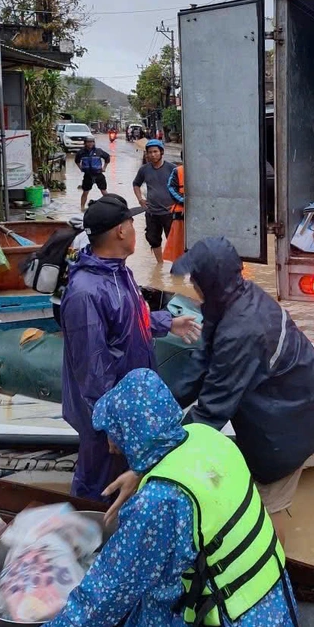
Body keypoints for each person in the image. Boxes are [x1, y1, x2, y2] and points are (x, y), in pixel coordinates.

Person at [0, 369, 298, 627]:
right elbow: (186, 465)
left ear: (132, 432)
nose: (110, 443)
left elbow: (101, 600)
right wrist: (142, 472)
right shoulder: (206, 437)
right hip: (278, 616)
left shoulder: (158, 504)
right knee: (142, 621)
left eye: (115, 432)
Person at [107, 236, 314, 545]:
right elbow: (201, 364)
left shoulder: (239, 332)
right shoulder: (241, 296)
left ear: (210, 283)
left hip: (285, 422)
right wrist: (160, 411)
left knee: (268, 507)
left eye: (195, 279)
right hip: (313, 394)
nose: (192, 285)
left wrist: (147, 464)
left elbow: (210, 414)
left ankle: (275, 568)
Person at [60, 194, 200, 499]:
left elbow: (128, 322)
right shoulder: (85, 292)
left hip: (130, 405)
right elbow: (92, 368)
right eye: (131, 224)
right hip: (106, 413)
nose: (135, 230)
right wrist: (111, 423)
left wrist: (167, 323)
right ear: (120, 231)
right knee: (98, 482)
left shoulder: (118, 271)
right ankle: (86, 523)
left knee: (127, 480)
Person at [133, 140, 177, 264]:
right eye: (150, 152)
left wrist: (179, 204)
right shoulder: (144, 170)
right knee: (153, 240)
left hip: (170, 212)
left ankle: (175, 266)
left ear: (161, 152)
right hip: (152, 212)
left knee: (173, 240)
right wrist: (140, 199)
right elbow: (136, 184)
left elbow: (182, 187)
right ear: (146, 154)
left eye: (155, 152)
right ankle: (160, 264)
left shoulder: (172, 168)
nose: (153, 155)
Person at [74, 135, 110, 212]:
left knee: (104, 192)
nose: (90, 144)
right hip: (88, 175)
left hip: (98, 174)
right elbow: (77, 161)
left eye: (92, 142)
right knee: (85, 192)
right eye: (88, 142)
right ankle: (82, 208)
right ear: (85, 143)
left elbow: (107, 158)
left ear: (94, 143)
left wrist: (104, 168)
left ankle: (110, 206)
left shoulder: (98, 151)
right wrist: (81, 168)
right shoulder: (81, 152)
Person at [163, 158, 185, 263]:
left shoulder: (207, 171)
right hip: (180, 216)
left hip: (202, 216)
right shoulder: (178, 171)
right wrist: (185, 202)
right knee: (177, 250)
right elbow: (171, 188)